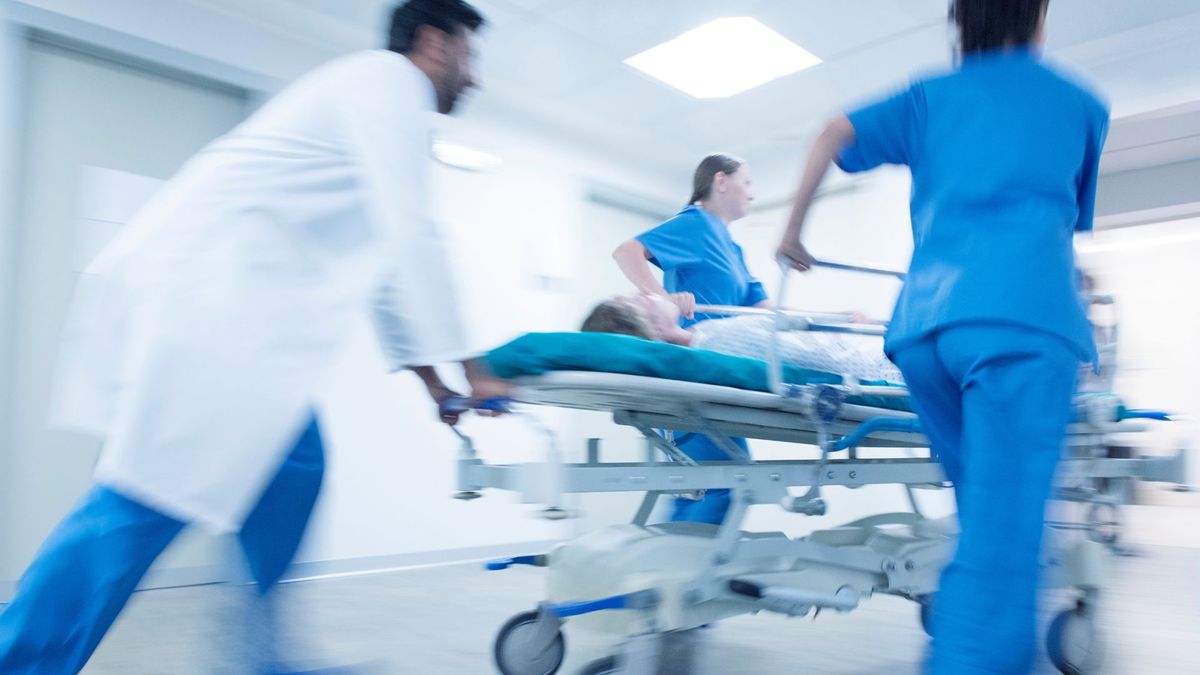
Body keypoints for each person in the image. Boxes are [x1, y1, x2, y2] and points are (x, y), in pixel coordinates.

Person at [0, 1, 504, 672]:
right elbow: (413, 230)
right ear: (435, 43)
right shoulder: (388, 83)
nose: (474, 79)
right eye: (471, 57)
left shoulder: (371, 98)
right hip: (207, 311)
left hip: (228, 324)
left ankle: (261, 655)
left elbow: (385, 255)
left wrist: (434, 380)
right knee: (141, 505)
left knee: (295, 465)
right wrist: (475, 366)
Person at [775, 0, 1108, 672]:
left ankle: (961, 634)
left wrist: (790, 233)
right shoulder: (1081, 105)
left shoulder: (931, 95)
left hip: (925, 334)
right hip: (1019, 321)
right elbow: (1062, 224)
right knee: (1004, 535)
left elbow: (831, 131)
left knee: (983, 514)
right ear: (1038, 16)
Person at [610, 154, 765, 525]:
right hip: (695, 373)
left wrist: (837, 319)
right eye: (748, 182)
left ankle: (678, 572)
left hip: (723, 374)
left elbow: (767, 312)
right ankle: (686, 575)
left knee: (712, 481)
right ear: (721, 181)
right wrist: (659, 298)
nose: (753, 194)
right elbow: (626, 251)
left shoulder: (733, 248)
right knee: (723, 481)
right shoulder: (695, 224)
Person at [581, 293, 904, 384]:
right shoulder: (720, 345)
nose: (646, 293)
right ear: (654, 331)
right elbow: (822, 358)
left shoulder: (705, 335)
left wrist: (833, 320)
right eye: (638, 301)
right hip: (885, 365)